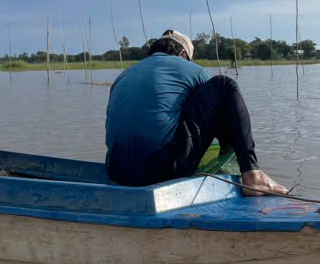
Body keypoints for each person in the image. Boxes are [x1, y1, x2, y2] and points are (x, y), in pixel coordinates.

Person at [105, 30, 287, 195]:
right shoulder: (192, 70)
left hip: (116, 171)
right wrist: (228, 146)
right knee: (225, 86)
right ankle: (253, 176)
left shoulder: (124, 75)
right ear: (182, 54)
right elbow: (221, 111)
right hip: (159, 172)